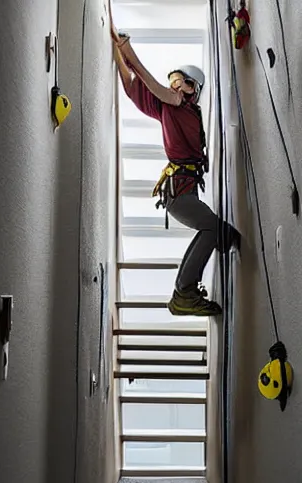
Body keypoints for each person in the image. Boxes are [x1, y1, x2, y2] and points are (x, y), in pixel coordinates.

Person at [110, 22, 240, 317]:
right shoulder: (171, 106)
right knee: (213, 229)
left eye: (180, 81)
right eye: (172, 81)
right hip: (179, 192)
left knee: (225, 235)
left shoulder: (183, 108)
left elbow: (147, 85)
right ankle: (184, 292)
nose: (174, 86)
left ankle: (185, 290)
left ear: (193, 89)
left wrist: (125, 50)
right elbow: (133, 87)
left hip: (181, 191)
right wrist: (121, 53)